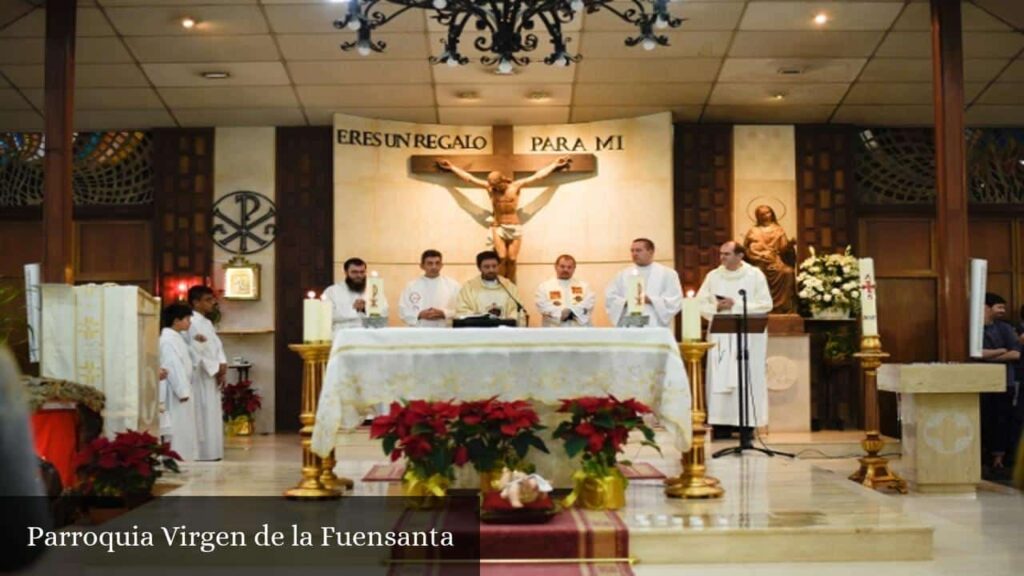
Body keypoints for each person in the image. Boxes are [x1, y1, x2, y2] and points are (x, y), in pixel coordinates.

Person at [438, 156, 571, 283]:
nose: (495, 188)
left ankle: (509, 284)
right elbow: (470, 179)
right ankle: (501, 283)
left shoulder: (515, 186)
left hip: (514, 225)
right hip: (498, 226)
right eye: (493, 185)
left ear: (502, 180)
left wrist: (555, 165)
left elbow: (537, 177)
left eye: (497, 185)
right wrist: (452, 167)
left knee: (512, 259)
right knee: (501, 257)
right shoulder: (490, 188)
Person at [697, 241, 773, 430]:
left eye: (727, 254)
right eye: (721, 254)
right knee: (719, 379)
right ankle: (721, 425)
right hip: (721, 336)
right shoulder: (713, 276)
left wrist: (736, 304)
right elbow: (699, 302)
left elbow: (766, 304)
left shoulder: (754, 275)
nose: (722, 257)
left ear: (740, 256)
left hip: (748, 337)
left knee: (747, 377)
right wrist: (716, 306)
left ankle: (747, 425)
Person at [981, 292, 1020, 472]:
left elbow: (1016, 353)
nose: (1002, 311)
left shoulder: (1004, 328)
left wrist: (989, 355)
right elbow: (976, 354)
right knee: (985, 419)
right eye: (999, 307)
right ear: (986, 307)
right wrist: (1001, 351)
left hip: (1006, 382)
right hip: (981, 383)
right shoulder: (975, 329)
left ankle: (999, 458)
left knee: (1002, 420)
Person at [605, 238, 683, 328]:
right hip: (629, 325)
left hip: (655, 324)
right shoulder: (623, 274)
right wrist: (627, 301)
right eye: (632, 251)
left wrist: (651, 300)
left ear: (651, 252)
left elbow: (674, 299)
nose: (634, 254)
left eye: (638, 250)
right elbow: (611, 298)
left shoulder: (668, 274)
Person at [187, 285, 226, 462]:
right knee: (201, 412)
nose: (213, 303)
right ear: (196, 302)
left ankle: (213, 451)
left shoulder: (207, 322)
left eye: (212, 299)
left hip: (212, 373)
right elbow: (195, 350)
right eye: (208, 300)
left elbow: (217, 346)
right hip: (201, 375)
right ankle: (203, 453)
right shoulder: (191, 323)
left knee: (212, 412)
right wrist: (215, 367)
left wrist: (222, 363)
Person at [159, 303, 198, 461]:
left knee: (185, 426)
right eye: (187, 319)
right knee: (178, 426)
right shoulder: (167, 340)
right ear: (176, 320)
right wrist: (182, 391)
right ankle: (176, 457)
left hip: (183, 387)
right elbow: (173, 367)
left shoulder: (176, 338)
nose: (189, 322)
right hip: (175, 392)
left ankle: (184, 456)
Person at [743, 204, 797, 313]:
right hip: (758, 261)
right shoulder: (753, 230)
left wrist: (789, 245)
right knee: (757, 273)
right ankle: (760, 307)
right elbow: (745, 249)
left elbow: (783, 249)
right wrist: (757, 255)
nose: (767, 215)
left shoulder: (778, 230)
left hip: (775, 260)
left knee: (788, 273)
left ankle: (782, 307)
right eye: (763, 214)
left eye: (768, 212)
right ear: (758, 216)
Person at [323, 257, 390, 332]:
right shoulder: (332, 291)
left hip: (369, 335)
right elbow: (326, 315)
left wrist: (366, 309)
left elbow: (384, 314)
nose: (359, 275)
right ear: (346, 272)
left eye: (362, 272)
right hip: (342, 335)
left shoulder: (374, 290)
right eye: (354, 272)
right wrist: (354, 309)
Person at [398, 249, 461, 327]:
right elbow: (403, 311)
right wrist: (419, 314)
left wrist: (444, 313)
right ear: (422, 266)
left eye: (437, 263)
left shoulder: (453, 285)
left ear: (442, 265)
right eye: (430, 263)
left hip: (444, 332)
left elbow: (461, 311)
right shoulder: (411, 286)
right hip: (418, 332)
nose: (434, 267)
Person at [455, 250, 523, 320]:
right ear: (479, 268)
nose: (491, 270)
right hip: (479, 329)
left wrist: (510, 319)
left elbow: (517, 310)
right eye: (487, 267)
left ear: (499, 266)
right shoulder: (469, 288)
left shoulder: (509, 287)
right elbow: (462, 311)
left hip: (504, 329)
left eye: (494, 266)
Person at [534, 254, 596, 327]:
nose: (565, 269)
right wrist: (561, 313)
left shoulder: (584, 286)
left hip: (579, 331)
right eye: (562, 266)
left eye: (569, 267)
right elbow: (543, 306)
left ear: (574, 269)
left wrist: (572, 312)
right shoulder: (544, 287)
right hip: (554, 331)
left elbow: (588, 303)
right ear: (556, 267)